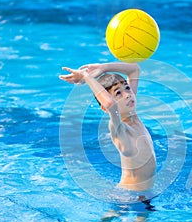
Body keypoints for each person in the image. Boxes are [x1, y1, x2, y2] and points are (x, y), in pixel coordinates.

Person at [59, 62, 156, 196]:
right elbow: (111, 105)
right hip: (127, 196)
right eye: (118, 93)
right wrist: (87, 77)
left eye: (127, 88)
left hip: (144, 195)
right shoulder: (119, 128)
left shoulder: (132, 114)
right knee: (111, 217)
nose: (127, 94)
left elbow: (134, 69)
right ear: (104, 108)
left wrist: (103, 68)